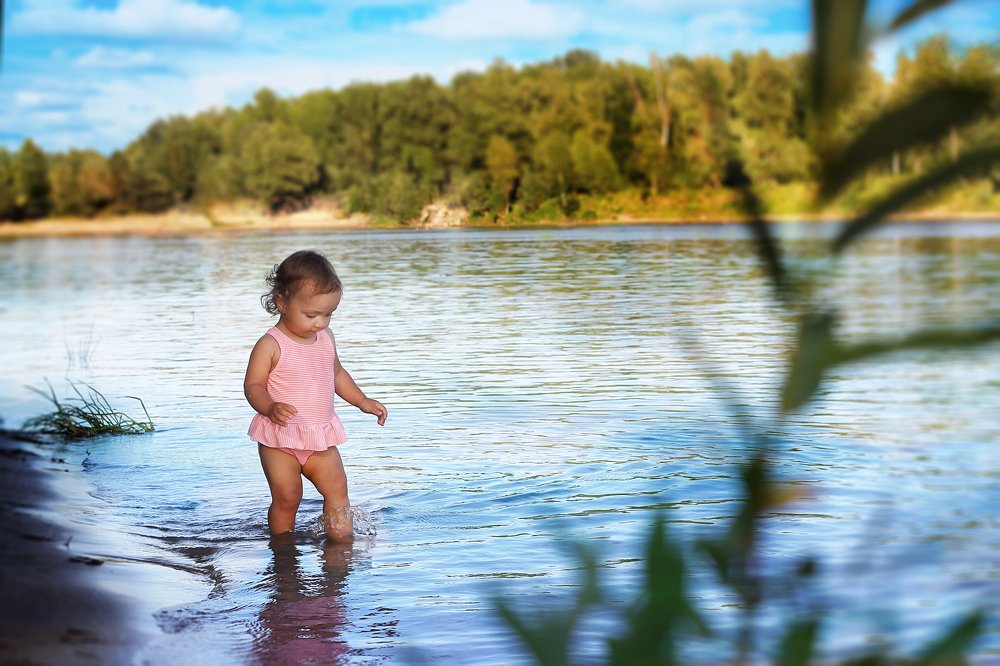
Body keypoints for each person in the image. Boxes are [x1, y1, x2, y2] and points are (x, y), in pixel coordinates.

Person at [244, 250, 387, 542]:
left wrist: (362, 401)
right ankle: (283, 551)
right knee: (288, 497)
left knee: (338, 492)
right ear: (281, 302)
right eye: (311, 315)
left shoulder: (325, 338)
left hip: (320, 437)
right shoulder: (271, 344)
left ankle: (340, 549)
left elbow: (336, 374)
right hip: (280, 439)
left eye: (328, 314)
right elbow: (253, 386)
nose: (320, 323)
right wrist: (269, 407)